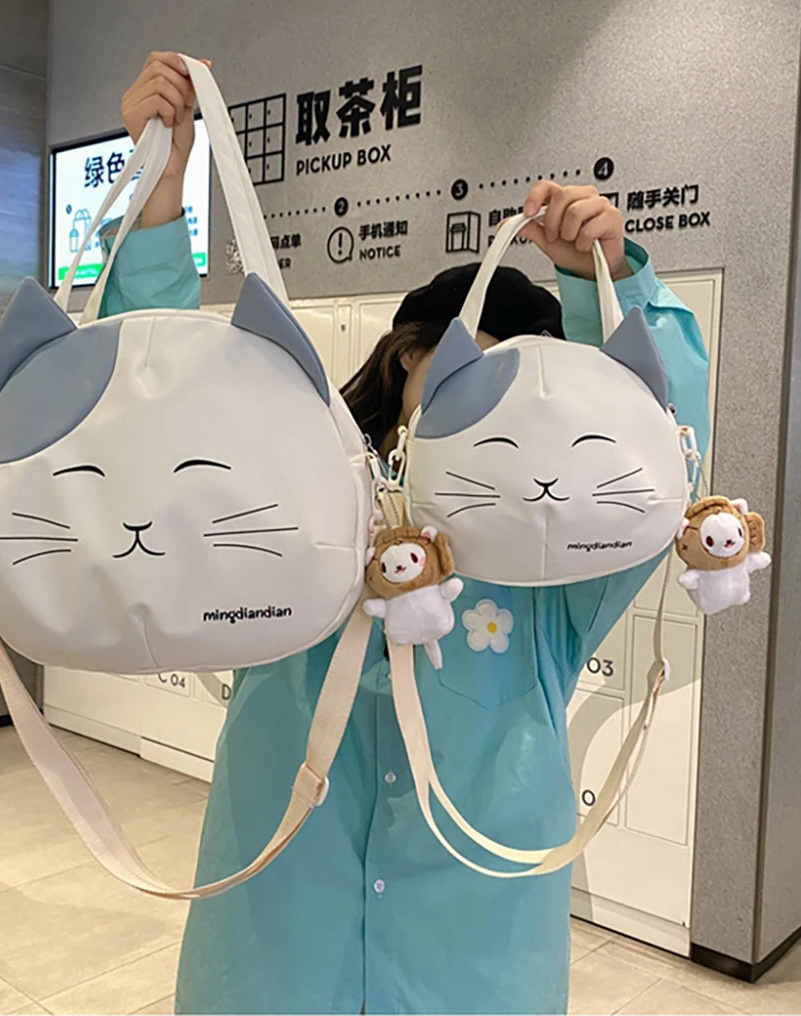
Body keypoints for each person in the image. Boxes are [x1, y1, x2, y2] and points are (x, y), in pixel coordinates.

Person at [99, 52, 711, 1016]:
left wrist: (612, 285)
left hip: (472, 965)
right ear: (406, 362)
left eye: (528, 392)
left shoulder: (551, 579)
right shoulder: (298, 503)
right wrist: (157, 204)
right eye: (470, 373)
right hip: (277, 950)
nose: (498, 414)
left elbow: (655, 462)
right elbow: (160, 427)